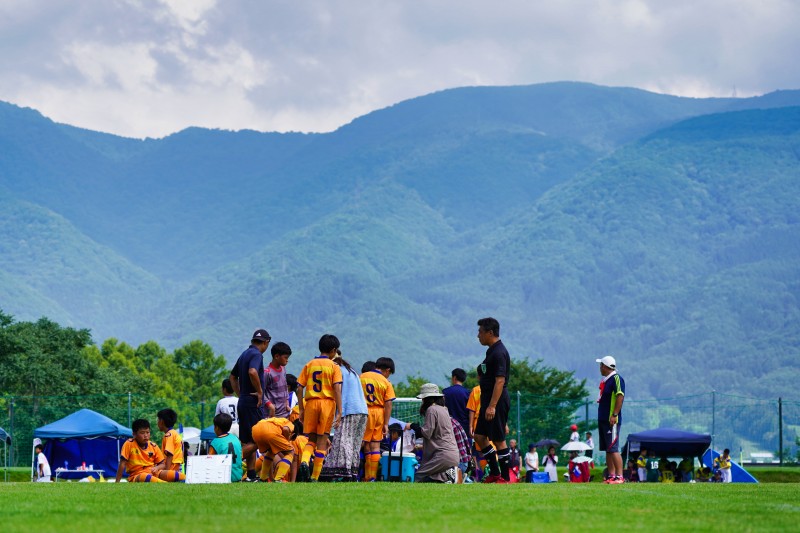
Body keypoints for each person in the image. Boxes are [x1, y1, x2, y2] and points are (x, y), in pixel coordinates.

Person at [297, 334, 343, 482]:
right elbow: (336, 388)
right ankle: (315, 477)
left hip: (310, 403)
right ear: (334, 350)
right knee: (322, 441)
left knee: (311, 439)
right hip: (327, 404)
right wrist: (340, 411)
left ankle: (304, 461)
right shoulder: (334, 366)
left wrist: (302, 409)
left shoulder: (309, 364)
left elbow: (299, 387)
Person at [474, 317, 511, 483]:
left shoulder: (499, 352)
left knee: (499, 439)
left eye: (480, 332)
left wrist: (492, 406)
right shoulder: (491, 351)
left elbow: (500, 381)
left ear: (490, 333)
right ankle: (495, 473)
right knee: (479, 436)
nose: (478, 335)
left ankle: (504, 477)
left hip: (496, 401)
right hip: (487, 400)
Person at [321, 351, 368, 481]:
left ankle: (344, 473)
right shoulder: (349, 369)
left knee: (343, 442)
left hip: (349, 409)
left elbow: (337, 390)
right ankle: (352, 472)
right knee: (354, 444)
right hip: (362, 410)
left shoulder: (335, 368)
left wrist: (338, 411)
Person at [230, 328, 270, 481]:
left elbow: (232, 377)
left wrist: (240, 394)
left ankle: (251, 475)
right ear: (266, 343)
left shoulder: (244, 354)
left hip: (244, 400)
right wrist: (260, 392)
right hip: (253, 402)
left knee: (248, 440)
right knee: (260, 440)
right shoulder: (256, 354)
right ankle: (227, 463)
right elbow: (253, 372)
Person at [408, 383, 459, 483]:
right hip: (452, 454)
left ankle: (450, 476)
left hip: (442, 455)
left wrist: (412, 426)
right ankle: (448, 476)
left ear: (427, 398)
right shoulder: (444, 409)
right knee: (435, 478)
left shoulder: (431, 410)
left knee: (418, 476)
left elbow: (427, 433)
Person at [360, 356, 396, 481]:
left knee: (366, 445)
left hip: (364, 412)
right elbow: (389, 403)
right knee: (375, 446)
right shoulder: (386, 382)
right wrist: (386, 423)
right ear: (387, 370)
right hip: (379, 412)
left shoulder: (362, 377)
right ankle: (372, 477)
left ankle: (365, 476)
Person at [596, 354, 625, 484]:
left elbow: (620, 396)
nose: (600, 367)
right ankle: (611, 475)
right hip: (603, 420)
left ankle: (619, 476)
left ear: (606, 367)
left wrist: (614, 414)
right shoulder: (606, 381)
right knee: (608, 449)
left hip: (611, 420)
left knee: (613, 448)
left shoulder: (616, 379)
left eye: (601, 365)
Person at [252, 417, 296, 482]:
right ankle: (279, 478)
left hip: (255, 430)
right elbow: (286, 429)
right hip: (269, 432)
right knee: (291, 451)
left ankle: (263, 478)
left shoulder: (278, 421)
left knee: (271, 452)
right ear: (292, 435)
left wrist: (271, 478)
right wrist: (286, 440)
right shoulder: (290, 424)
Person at [208, 413, 243, 483]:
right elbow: (241, 456)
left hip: (223, 477)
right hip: (238, 476)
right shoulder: (235, 438)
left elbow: (209, 461)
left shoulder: (215, 442)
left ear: (216, 428)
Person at [156, 408, 186, 481]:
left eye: (158, 420)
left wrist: (166, 473)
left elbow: (169, 454)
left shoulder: (169, 435)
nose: (157, 422)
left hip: (171, 468)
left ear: (162, 421)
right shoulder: (175, 433)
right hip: (176, 468)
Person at [264, 342, 292, 418]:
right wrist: (269, 405)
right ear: (276, 356)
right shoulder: (267, 373)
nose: (287, 360)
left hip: (285, 413)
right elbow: (261, 392)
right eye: (285, 357)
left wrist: (286, 402)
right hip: (273, 414)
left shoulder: (283, 369)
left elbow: (285, 386)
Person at [443, 368, 470, 435]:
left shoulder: (445, 392)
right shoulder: (468, 393)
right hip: (465, 426)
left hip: (449, 425)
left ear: (454, 377)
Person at [450, 416, 472, 483]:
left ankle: (456, 476)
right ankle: (462, 477)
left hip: (458, 464)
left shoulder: (447, 425)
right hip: (465, 462)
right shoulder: (454, 421)